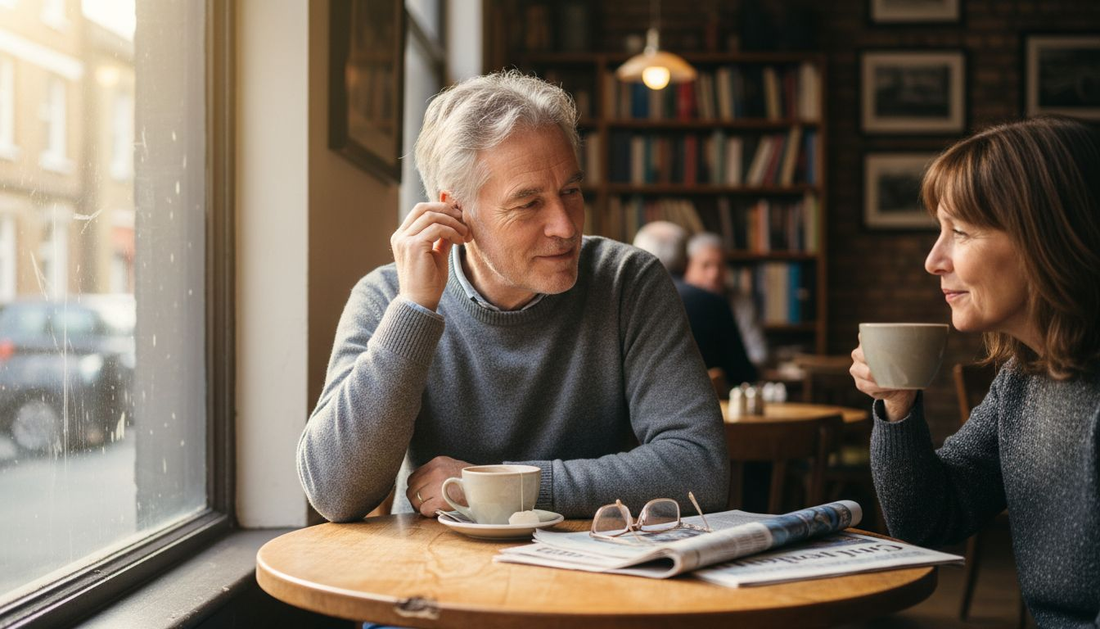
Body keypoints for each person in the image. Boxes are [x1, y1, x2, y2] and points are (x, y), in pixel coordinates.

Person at [297, 71, 729, 523]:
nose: (565, 226)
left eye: (571, 191)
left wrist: (504, 486)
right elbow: (334, 493)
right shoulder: (388, 297)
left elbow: (701, 467)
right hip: (437, 575)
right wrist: (414, 311)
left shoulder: (627, 281)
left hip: (598, 575)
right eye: (528, 203)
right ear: (455, 211)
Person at [849, 116, 1100, 627]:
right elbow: (931, 518)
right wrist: (897, 404)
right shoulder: (1024, 379)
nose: (933, 260)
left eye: (960, 232)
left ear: (1047, 238)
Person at [633, 221, 757, 387]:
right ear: (686, 259)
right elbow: (742, 374)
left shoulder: (629, 299)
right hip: (704, 406)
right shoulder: (711, 301)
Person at [684, 232, 768, 367]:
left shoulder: (740, 301)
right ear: (689, 266)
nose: (714, 274)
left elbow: (758, 353)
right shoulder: (674, 298)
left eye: (721, 265)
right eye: (706, 265)